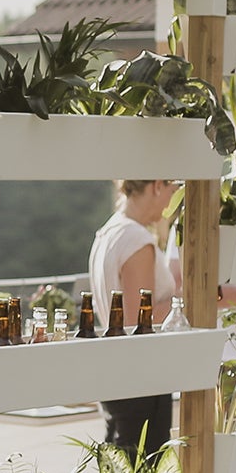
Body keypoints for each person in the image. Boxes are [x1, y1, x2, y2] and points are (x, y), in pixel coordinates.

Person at [89, 179, 176, 458]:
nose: (171, 200)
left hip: (115, 372)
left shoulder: (109, 231)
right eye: (172, 188)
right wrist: (189, 301)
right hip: (142, 376)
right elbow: (138, 320)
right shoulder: (136, 240)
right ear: (157, 186)